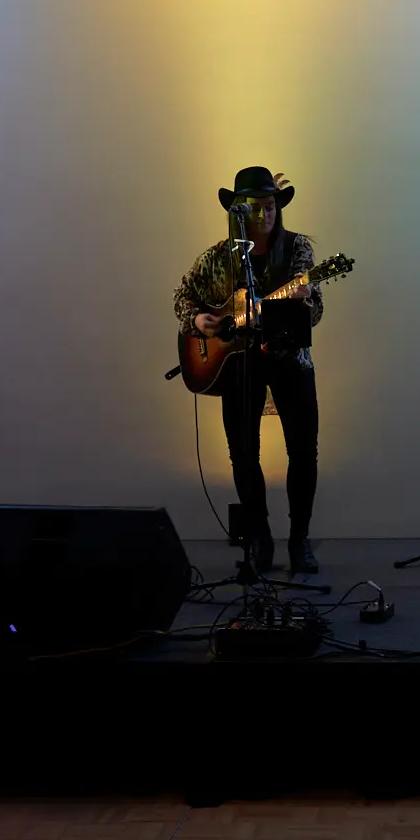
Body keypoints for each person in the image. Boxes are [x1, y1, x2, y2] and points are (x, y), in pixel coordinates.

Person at [173, 167, 324, 576]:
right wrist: (200, 322)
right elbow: (183, 298)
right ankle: (259, 538)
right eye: (256, 208)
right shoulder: (219, 257)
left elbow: (318, 309)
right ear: (239, 212)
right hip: (238, 363)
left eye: (271, 206)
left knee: (303, 451)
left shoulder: (296, 251)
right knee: (242, 452)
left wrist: (308, 299)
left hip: (290, 358)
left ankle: (299, 540)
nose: (266, 215)